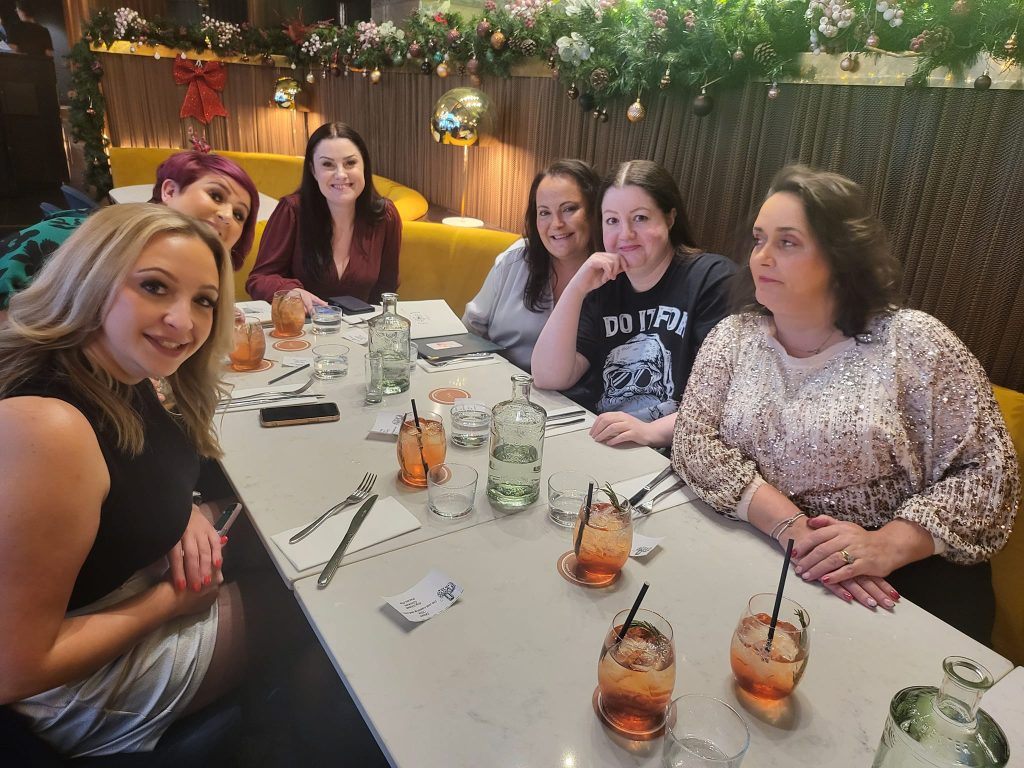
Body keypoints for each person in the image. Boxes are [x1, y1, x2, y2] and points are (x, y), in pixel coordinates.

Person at [671, 165, 1019, 643]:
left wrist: (886, 545)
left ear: (841, 259)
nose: (761, 258)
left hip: (897, 586)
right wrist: (791, 527)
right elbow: (693, 440)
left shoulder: (914, 343)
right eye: (758, 240)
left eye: (787, 242)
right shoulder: (735, 336)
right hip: (770, 553)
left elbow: (990, 475)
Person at [531, 160, 735, 448]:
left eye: (640, 218)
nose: (625, 234)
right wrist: (576, 288)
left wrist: (651, 432)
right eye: (612, 221)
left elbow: (726, 399)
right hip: (599, 441)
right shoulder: (604, 284)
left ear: (669, 218)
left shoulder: (711, 280)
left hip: (671, 451)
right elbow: (548, 377)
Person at [0, 151, 259, 312]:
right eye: (216, 195)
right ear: (170, 191)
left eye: (239, 215)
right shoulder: (83, 236)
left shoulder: (201, 275)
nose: (227, 216)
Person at [246, 121, 401, 312]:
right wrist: (290, 291)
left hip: (361, 326)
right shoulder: (292, 211)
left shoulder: (385, 216)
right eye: (328, 164)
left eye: (350, 163)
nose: (341, 174)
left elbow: (386, 288)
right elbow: (259, 279)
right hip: (303, 326)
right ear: (313, 170)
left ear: (364, 166)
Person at [463, 159, 600, 372]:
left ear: (594, 211)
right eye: (544, 212)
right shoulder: (515, 259)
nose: (556, 224)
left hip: (570, 391)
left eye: (569, 209)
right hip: (496, 380)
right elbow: (471, 330)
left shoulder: (614, 276)